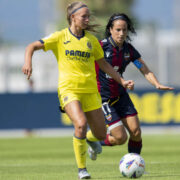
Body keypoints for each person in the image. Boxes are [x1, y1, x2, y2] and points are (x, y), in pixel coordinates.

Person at [22, 4, 134, 179]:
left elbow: (104, 65)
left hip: (90, 91)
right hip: (69, 90)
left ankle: (90, 139)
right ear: (73, 17)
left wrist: (122, 81)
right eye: (84, 17)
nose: (87, 20)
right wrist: (28, 62)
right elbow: (32, 46)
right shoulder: (60, 37)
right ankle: (82, 170)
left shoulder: (91, 41)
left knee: (100, 134)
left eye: (88, 16)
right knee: (80, 124)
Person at [87, 13, 174, 161]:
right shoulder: (100, 47)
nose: (121, 34)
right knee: (120, 138)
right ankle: (93, 139)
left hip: (121, 96)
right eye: (118, 30)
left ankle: (134, 164)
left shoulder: (129, 51)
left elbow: (143, 68)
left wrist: (156, 84)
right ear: (110, 30)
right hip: (103, 98)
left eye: (124, 30)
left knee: (136, 132)